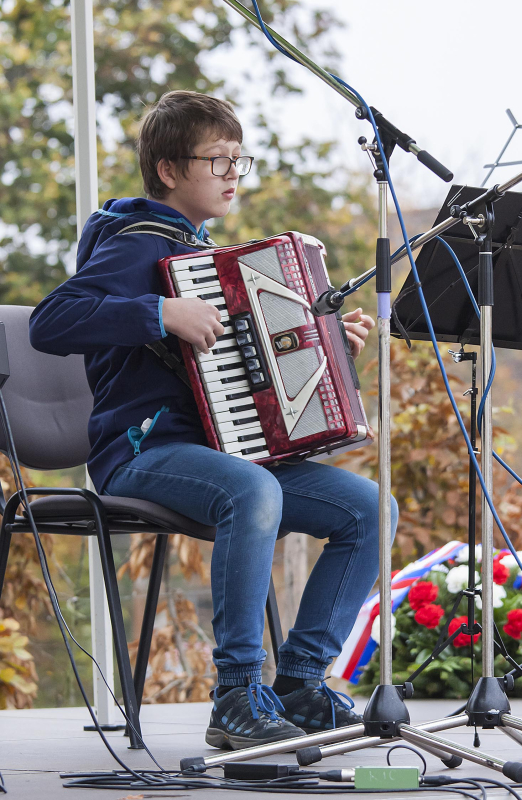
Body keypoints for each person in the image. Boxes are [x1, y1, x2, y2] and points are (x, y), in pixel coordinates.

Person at [29, 90, 398, 750]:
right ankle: (234, 693)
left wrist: (326, 342)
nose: (233, 173)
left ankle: (301, 684)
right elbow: (50, 322)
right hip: (140, 453)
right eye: (217, 159)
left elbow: (249, 378)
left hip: (221, 456)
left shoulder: (211, 261)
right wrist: (158, 314)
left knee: (370, 508)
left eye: (238, 160)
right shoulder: (132, 245)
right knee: (249, 488)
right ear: (169, 170)